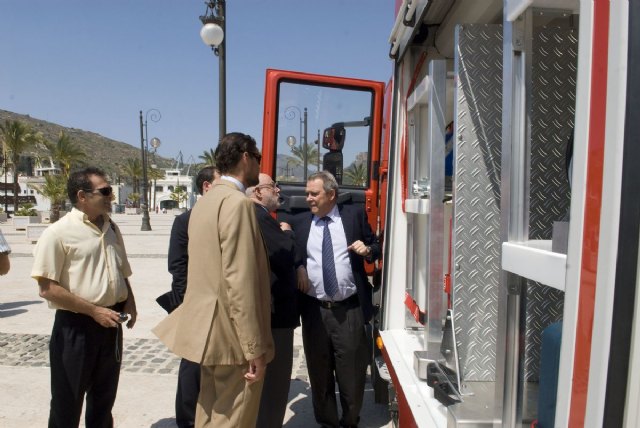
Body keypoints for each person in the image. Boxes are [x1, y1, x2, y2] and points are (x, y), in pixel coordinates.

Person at [154, 132, 273, 428]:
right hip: (231, 336)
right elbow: (240, 279)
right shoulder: (238, 204)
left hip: (204, 330)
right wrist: (253, 346)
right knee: (234, 416)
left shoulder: (206, 203)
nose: (260, 163)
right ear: (245, 156)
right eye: (257, 156)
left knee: (207, 412)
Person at [31, 166, 137, 428]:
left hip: (110, 326)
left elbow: (122, 271)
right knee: (67, 406)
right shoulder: (57, 233)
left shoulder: (112, 228)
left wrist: (130, 300)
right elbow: (47, 288)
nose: (111, 195)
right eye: (105, 191)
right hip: (75, 329)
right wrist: (93, 311)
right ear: (82, 195)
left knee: (103, 403)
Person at [293, 170, 381, 428]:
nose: (308, 198)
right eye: (307, 193)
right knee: (320, 376)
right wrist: (298, 266)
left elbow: (375, 245)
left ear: (331, 194)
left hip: (349, 310)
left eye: (314, 193)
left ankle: (350, 421)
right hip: (314, 311)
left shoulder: (353, 216)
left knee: (352, 375)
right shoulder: (300, 223)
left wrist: (368, 251)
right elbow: (291, 254)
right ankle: (327, 423)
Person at [156, 166, 218, 428]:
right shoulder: (185, 221)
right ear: (206, 187)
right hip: (194, 304)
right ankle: (188, 420)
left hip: (220, 305)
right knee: (192, 366)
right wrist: (186, 303)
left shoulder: (224, 217)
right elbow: (177, 266)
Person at [247, 174, 299, 428]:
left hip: (265, 313)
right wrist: (287, 233)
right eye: (272, 186)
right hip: (274, 316)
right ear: (257, 192)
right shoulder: (260, 217)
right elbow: (284, 254)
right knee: (275, 387)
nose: (277, 190)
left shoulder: (251, 216)